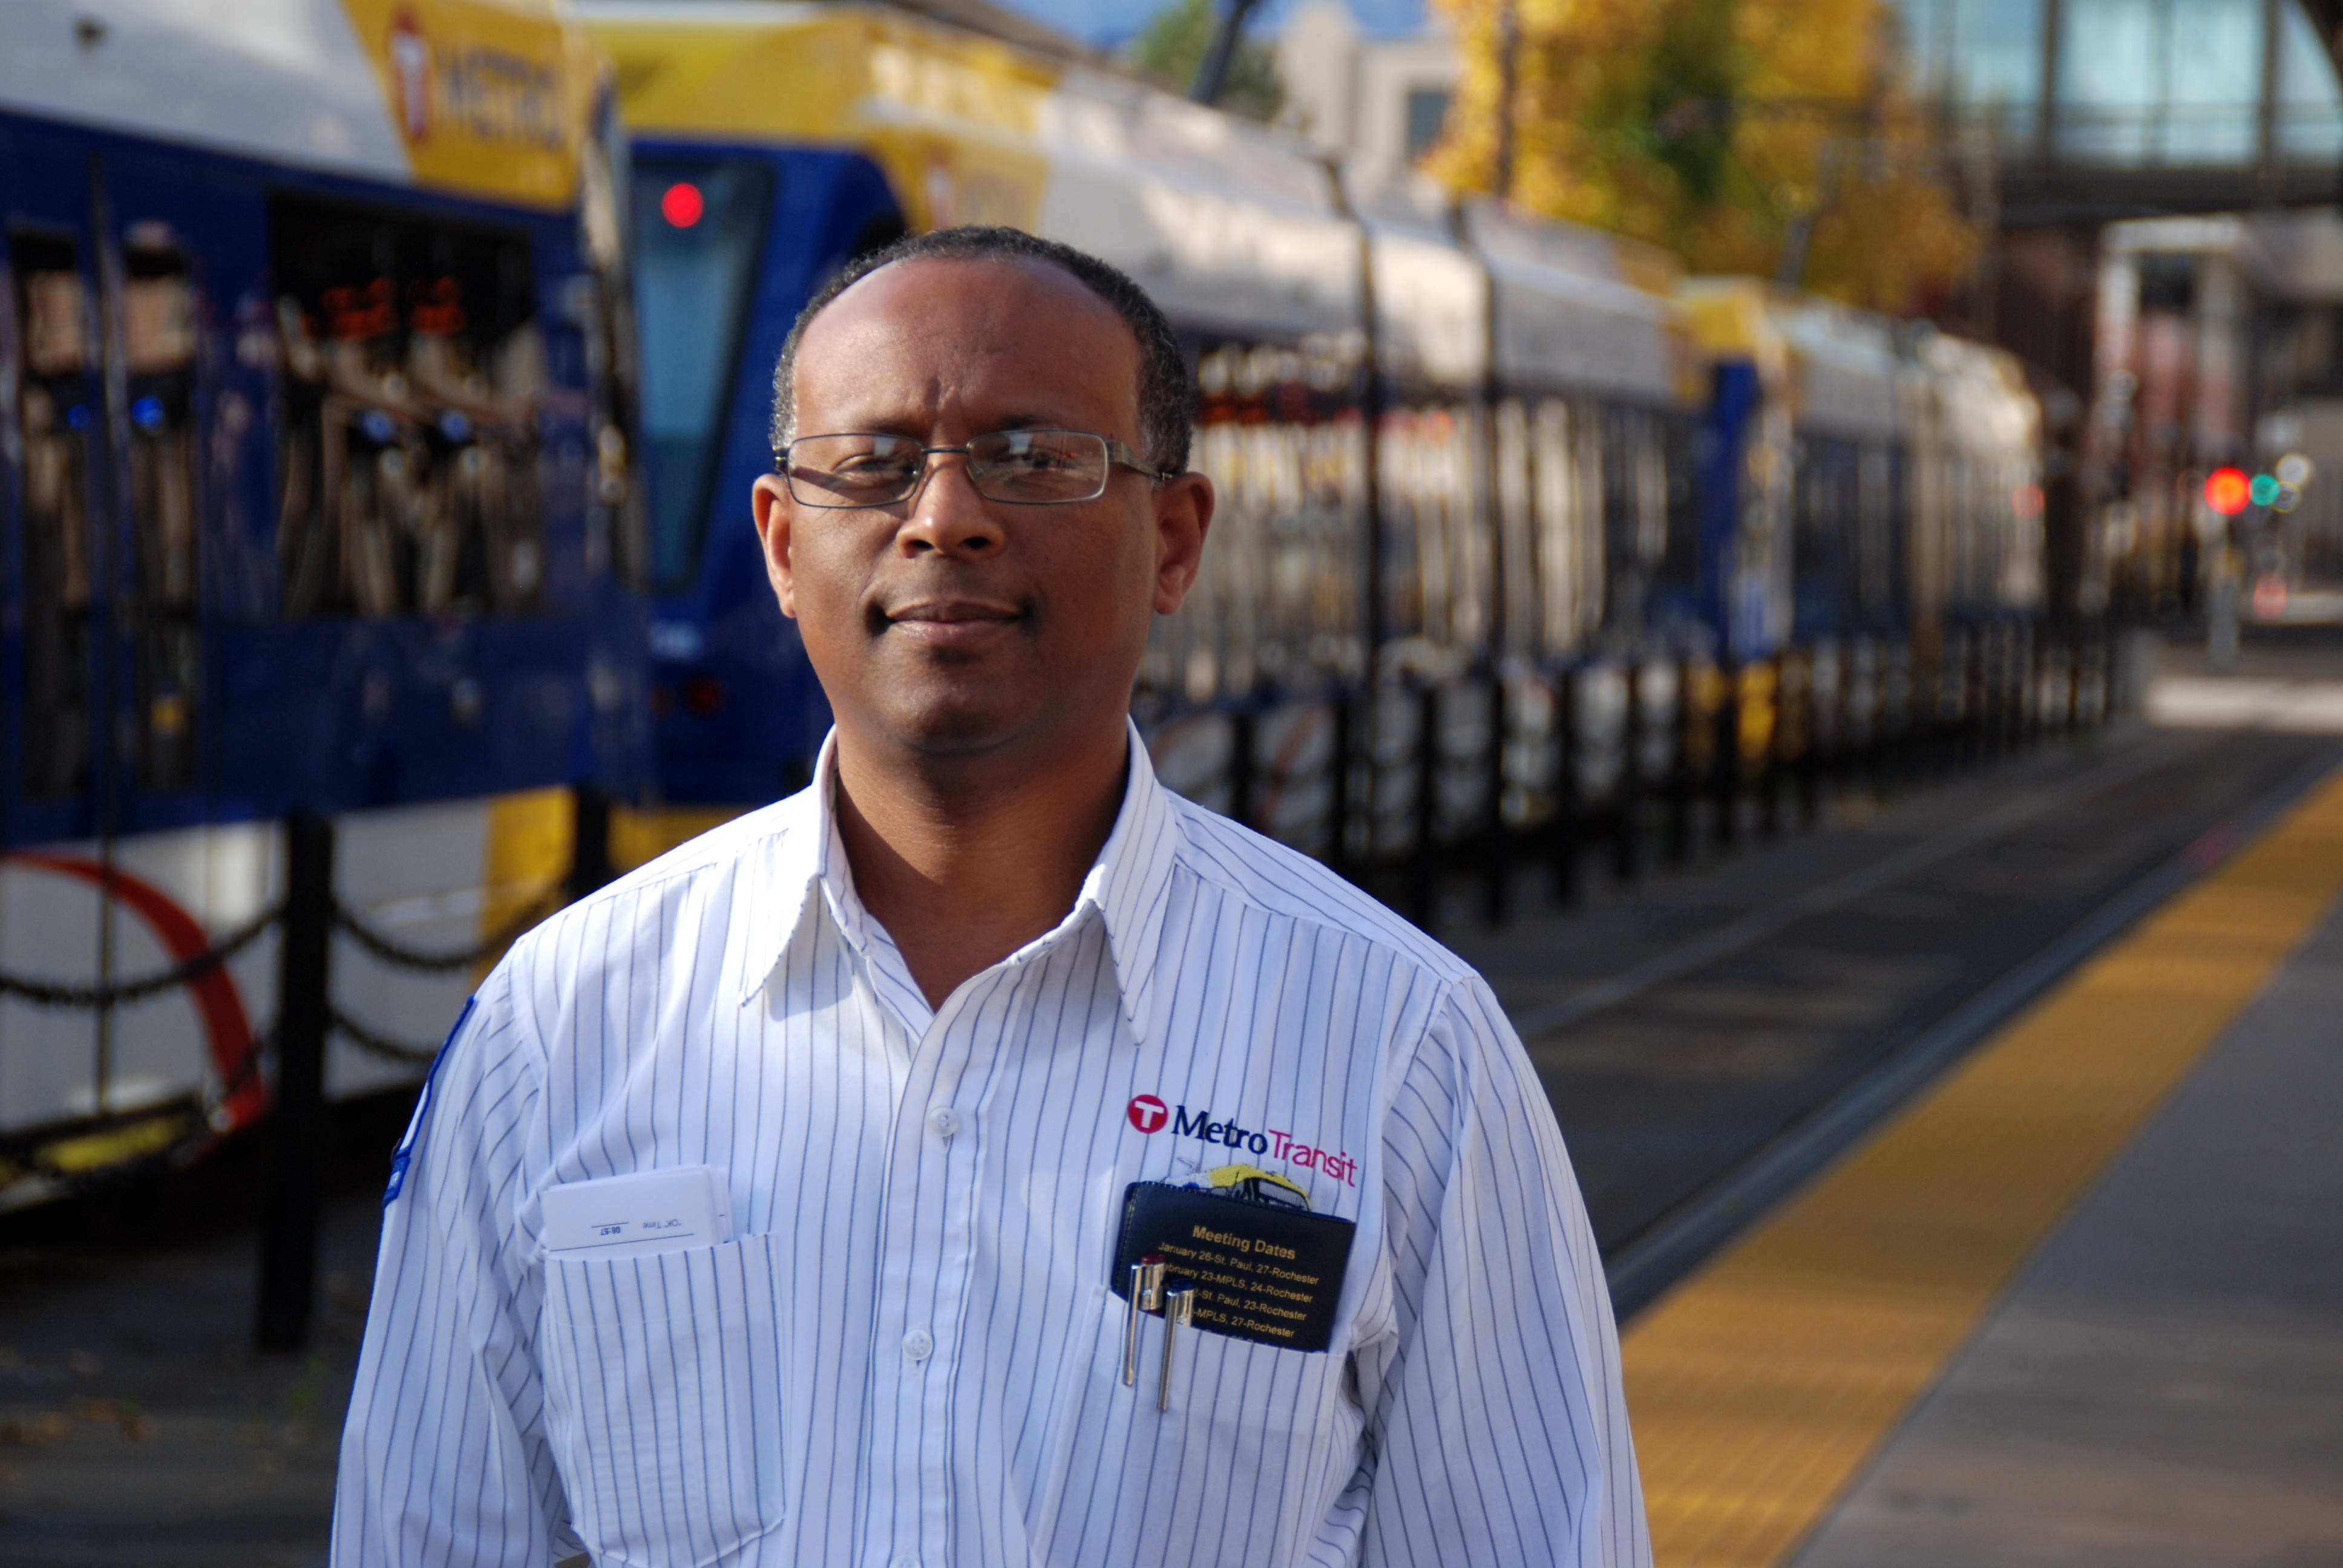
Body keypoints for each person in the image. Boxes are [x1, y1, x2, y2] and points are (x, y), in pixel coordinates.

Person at [332, 226, 1649, 1568]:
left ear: (1175, 541)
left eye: (1034, 459)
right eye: (874, 465)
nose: (943, 515)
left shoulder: (1400, 1047)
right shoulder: (556, 1030)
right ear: (784, 546)